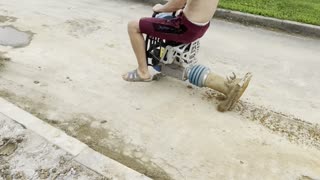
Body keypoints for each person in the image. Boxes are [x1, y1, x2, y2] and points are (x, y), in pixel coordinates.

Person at [122, 0, 219, 82]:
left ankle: (142, 72)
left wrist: (160, 8)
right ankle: (170, 60)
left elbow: (176, 4)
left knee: (133, 26)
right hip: (201, 27)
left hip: (184, 28)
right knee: (175, 14)